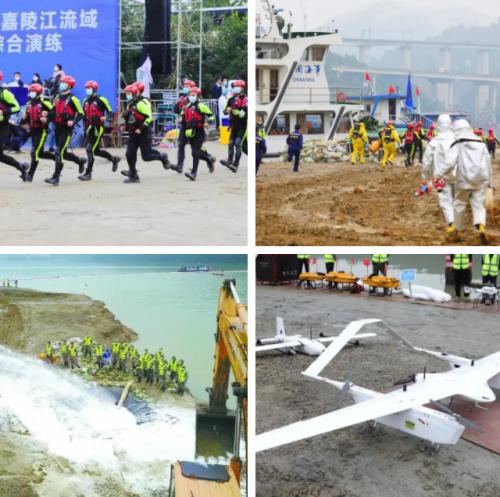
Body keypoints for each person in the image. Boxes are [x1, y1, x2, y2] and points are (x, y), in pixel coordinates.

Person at [440, 119, 492, 244]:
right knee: (479, 205)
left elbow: (450, 163)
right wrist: (489, 182)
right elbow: (487, 162)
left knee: (459, 205)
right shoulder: (481, 142)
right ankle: (481, 227)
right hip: (480, 180)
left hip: (462, 180)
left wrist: (440, 173)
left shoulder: (457, 143)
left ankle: (457, 231)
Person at [121, 84, 170, 183]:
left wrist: (141, 128)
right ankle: (133, 175)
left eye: (129, 93)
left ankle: (162, 157)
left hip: (143, 133)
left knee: (146, 156)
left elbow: (149, 117)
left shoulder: (141, 103)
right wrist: (124, 125)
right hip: (133, 133)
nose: (127, 95)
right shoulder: (129, 104)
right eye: (126, 93)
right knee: (129, 154)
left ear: (135, 93)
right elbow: (129, 118)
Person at [45, 75, 87, 186]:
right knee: (63, 152)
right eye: (61, 82)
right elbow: (53, 112)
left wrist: (73, 121)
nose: (61, 84)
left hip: (67, 129)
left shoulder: (73, 99)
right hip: (57, 128)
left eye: (64, 83)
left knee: (59, 152)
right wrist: (47, 117)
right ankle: (80, 161)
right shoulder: (57, 97)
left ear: (69, 86)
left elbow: (81, 114)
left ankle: (56, 177)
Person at [422, 114, 456, 236]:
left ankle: (452, 224)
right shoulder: (458, 140)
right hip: (458, 176)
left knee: (445, 200)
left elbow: (426, 162)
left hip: (441, 177)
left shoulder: (434, 142)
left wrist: (426, 178)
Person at [80, 80, 120, 181]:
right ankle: (113, 159)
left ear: (94, 89)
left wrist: (106, 118)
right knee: (96, 151)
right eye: (86, 88)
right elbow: (83, 114)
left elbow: (110, 113)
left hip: (98, 128)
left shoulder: (101, 99)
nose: (87, 90)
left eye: (89, 88)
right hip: (89, 128)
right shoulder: (85, 101)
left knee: (89, 149)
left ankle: (88, 173)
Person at [178, 86, 216, 181]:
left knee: (194, 153)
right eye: (190, 95)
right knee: (196, 152)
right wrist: (180, 118)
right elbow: (182, 115)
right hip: (190, 132)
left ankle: (193, 173)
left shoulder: (201, 106)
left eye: (193, 95)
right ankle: (209, 159)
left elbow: (212, 116)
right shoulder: (187, 106)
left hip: (199, 132)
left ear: (197, 96)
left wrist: (208, 122)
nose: (191, 97)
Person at [21, 83, 56, 182]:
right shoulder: (28, 104)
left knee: (34, 152)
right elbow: (26, 118)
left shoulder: (45, 103)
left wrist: (47, 116)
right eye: (30, 91)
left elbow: (55, 113)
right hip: (33, 130)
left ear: (38, 92)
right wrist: (23, 122)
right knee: (40, 153)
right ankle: (56, 157)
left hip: (42, 130)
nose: (31, 93)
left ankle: (30, 175)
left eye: (33, 91)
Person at [0, 72, 28, 181]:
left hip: (2, 127)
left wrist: (4, 112)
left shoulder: (4, 93)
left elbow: (16, 107)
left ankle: (21, 167)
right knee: (1, 157)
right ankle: (21, 167)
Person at [221, 80, 247, 173]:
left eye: (236, 87)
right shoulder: (231, 99)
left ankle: (235, 165)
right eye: (234, 87)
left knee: (237, 143)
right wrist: (227, 110)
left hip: (243, 125)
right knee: (230, 143)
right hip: (233, 125)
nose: (234, 89)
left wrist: (237, 111)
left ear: (242, 88)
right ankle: (229, 161)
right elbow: (225, 111)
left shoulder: (246, 99)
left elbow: (244, 114)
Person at [172, 79, 195, 173]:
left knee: (196, 148)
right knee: (181, 144)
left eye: (187, 86)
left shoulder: (195, 99)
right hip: (184, 125)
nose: (185, 88)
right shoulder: (182, 99)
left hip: (193, 126)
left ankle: (208, 158)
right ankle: (179, 165)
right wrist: (177, 104)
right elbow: (176, 111)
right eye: (184, 86)